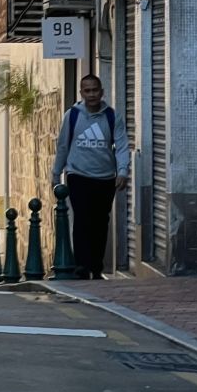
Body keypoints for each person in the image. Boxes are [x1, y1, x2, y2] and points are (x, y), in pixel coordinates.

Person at [51, 74, 130, 279]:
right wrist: (56, 172)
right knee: (82, 219)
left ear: (102, 92)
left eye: (95, 90)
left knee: (100, 222)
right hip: (78, 175)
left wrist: (122, 171)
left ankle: (96, 265)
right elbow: (63, 145)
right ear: (81, 93)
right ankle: (82, 265)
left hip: (105, 178)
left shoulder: (112, 116)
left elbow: (121, 146)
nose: (92, 94)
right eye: (87, 90)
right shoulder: (73, 115)